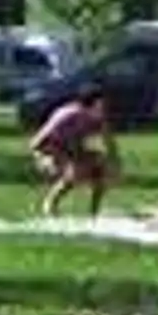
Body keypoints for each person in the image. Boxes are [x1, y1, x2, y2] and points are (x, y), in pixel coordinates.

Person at [29, 84, 118, 216]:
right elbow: (38, 141)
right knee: (77, 170)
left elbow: (109, 142)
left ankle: (94, 212)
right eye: (101, 103)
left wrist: (113, 161)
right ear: (92, 102)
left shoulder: (97, 118)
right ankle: (50, 204)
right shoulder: (69, 114)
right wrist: (45, 158)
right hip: (49, 150)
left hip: (71, 150)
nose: (104, 107)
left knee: (101, 165)